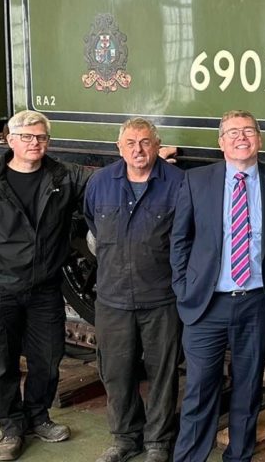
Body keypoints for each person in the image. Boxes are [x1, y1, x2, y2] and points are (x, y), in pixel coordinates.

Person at [0, 110, 90, 461]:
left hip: (44, 288)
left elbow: (107, 181)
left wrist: (148, 159)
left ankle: (38, 417)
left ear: (48, 141)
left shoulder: (64, 177)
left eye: (41, 137)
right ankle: (11, 427)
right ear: (10, 141)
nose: (34, 143)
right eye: (26, 137)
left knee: (48, 358)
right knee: (4, 360)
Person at [170, 110, 265, 462]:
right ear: (220, 142)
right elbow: (180, 239)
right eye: (232, 132)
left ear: (259, 139)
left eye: (248, 131)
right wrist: (185, 287)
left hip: (256, 303)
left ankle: (239, 456)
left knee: (248, 390)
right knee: (200, 391)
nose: (241, 137)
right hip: (206, 305)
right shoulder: (195, 180)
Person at [85, 118, 187, 462]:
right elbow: (92, 225)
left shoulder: (177, 183)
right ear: (119, 147)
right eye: (130, 143)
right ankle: (124, 437)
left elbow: (189, 236)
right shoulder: (100, 183)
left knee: (163, 372)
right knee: (116, 371)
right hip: (112, 298)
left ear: (157, 146)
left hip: (161, 298)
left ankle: (158, 441)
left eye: (145, 142)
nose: (138, 150)